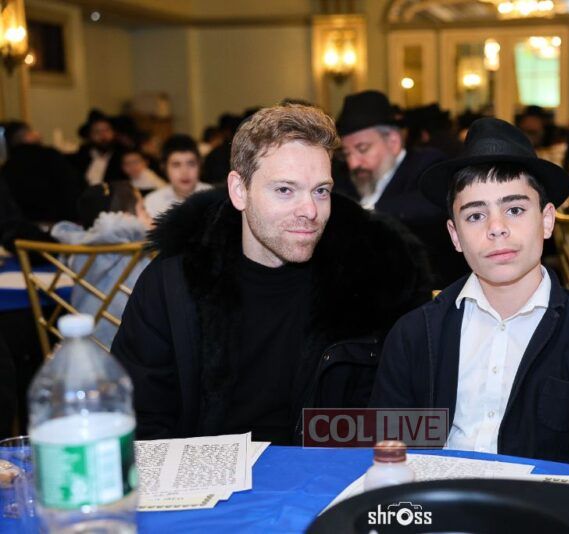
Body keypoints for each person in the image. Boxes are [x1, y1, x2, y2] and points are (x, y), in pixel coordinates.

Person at [111, 103, 432, 442]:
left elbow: (410, 423)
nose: (310, 210)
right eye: (285, 190)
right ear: (239, 191)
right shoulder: (174, 285)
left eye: (320, 191)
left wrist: (320, 447)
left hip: (324, 468)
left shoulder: (372, 280)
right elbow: (137, 419)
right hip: (201, 469)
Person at [371, 117, 569, 478]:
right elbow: (390, 458)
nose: (496, 228)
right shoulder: (415, 337)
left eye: (515, 210)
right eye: (475, 215)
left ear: (547, 220)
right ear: (454, 235)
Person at [337, 90, 467, 286]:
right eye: (346, 153)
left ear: (393, 141)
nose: (353, 163)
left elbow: (433, 204)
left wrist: (363, 212)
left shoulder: (426, 164)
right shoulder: (345, 180)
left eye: (362, 149)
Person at [51, 182, 152, 348]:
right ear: (125, 216)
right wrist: (145, 228)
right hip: (114, 347)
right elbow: (109, 227)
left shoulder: (86, 250)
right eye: (143, 209)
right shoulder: (106, 252)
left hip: (93, 344)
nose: (150, 216)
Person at [143, 134, 213, 218]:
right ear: (164, 168)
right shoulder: (153, 202)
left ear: (200, 165)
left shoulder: (214, 198)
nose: (185, 172)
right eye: (176, 165)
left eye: (191, 164)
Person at [69, 109, 126, 185]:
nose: (103, 135)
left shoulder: (123, 156)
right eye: (97, 131)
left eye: (106, 130)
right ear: (89, 135)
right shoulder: (80, 158)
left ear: (114, 132)